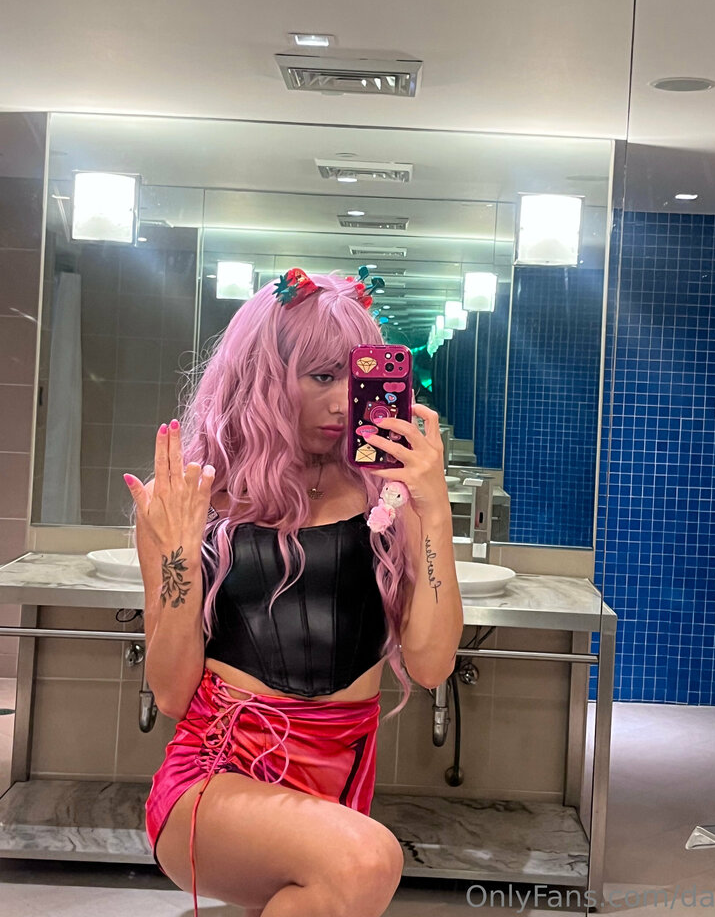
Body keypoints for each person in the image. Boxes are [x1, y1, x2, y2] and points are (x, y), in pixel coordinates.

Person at [124, 268, 463, 917]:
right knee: (367, 861)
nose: (342, 403)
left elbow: (431, 665)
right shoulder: (197, 498)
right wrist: (179, 555)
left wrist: (435, 508)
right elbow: (169, 693)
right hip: (216, 774)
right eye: (321, 377)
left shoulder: (390, 498)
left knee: (335, 886)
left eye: (355, 378)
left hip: (339, 782)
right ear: (264, 375)